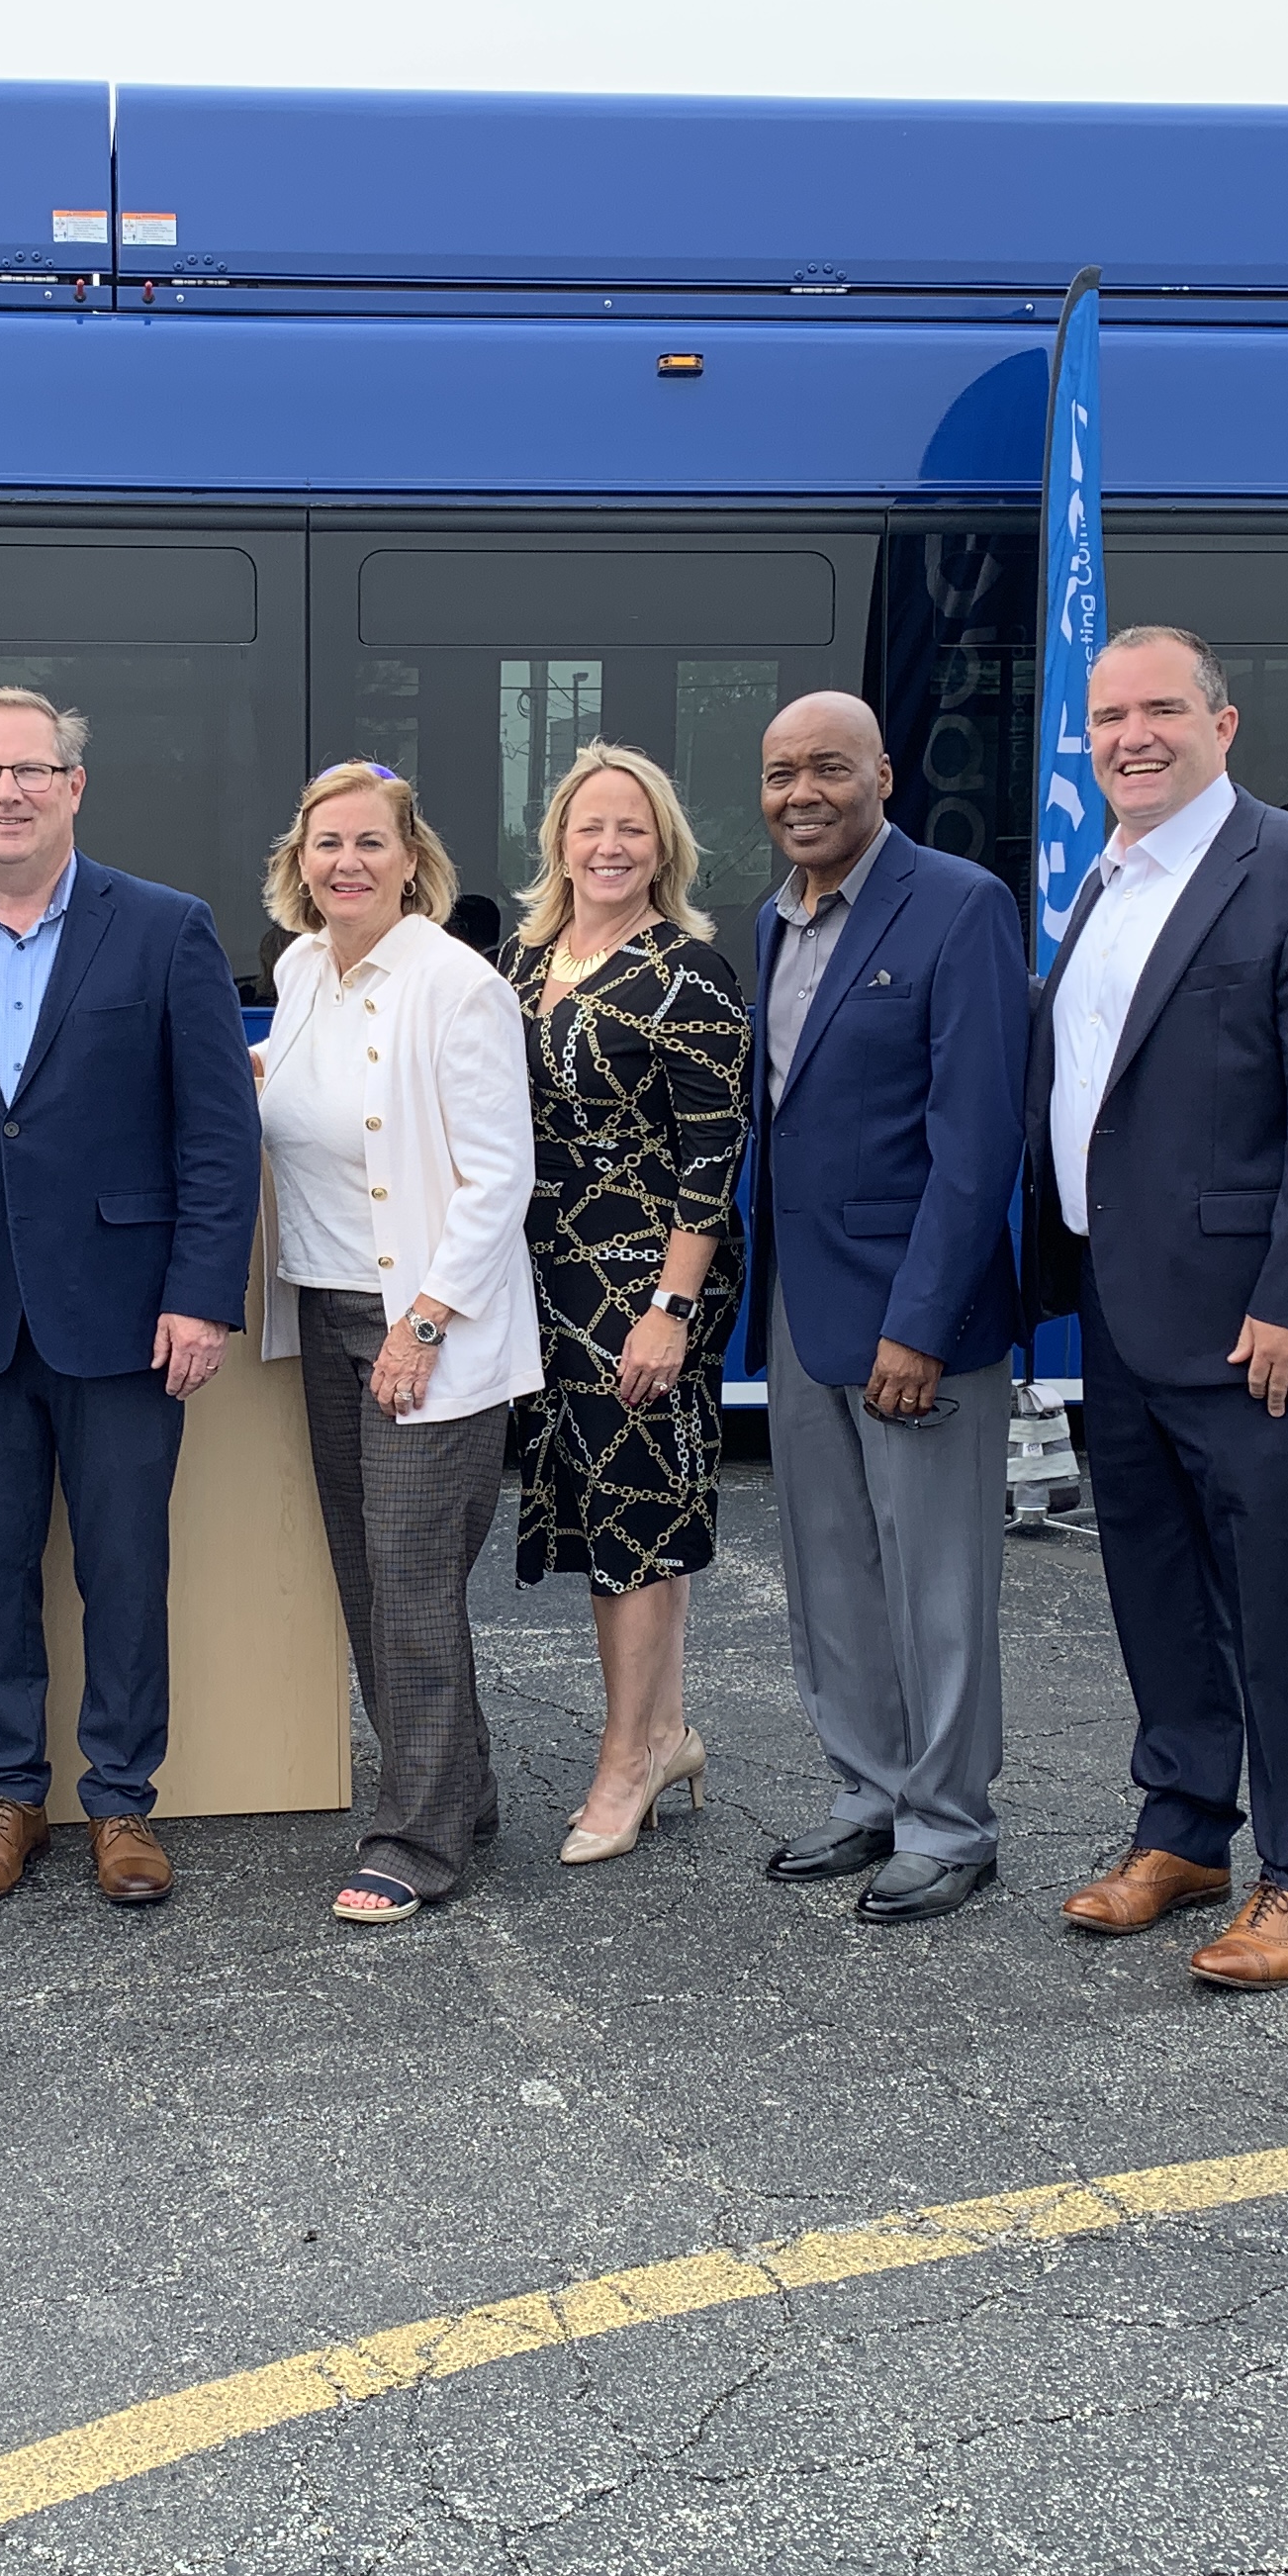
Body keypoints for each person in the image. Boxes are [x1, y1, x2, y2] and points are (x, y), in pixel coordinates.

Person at [1031, 626, 1288, 1990]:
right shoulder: (1109, 881)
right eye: (1109, 716)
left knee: (1283, 1602)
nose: (1132, 736)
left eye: (1161, 711)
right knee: (1159, 1590)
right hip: (1127, 1317)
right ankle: (1184, 1830)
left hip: (1260, 1331)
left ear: (1222, 725)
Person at [0, 688, 262, 1911]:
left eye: (34, 770)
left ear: (75, 787)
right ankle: (8, 1798)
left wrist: (201, 1295)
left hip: (130, 1312)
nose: (9, 791)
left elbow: (216, 1137)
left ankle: (124, 1803)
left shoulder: (165, 928)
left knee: (125, 1569)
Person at [746, 692, 1030, 1926]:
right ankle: (866, 1792)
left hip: (919, 1320)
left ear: (883, 775)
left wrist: (918, 1325)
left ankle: (951, 1822)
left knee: (937, 1582)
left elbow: (975, 1147)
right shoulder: (774, 920)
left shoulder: (960, 905)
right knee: (832, 1574)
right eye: (777, 774)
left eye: (826, 769)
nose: (800, 793)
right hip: (805, 1314)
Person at [253, 760, 540, 1923]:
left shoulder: (456, 984)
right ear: (299, 862)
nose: (347, 864)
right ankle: (456, 1786)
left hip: (421, 1318)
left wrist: (424, 1322)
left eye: (370, 843)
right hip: (324, 1308)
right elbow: (300, 1093)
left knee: (414, 1579)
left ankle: (416, 1837)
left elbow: (497, 1175)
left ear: (411, 861)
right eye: (327, 844)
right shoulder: (302, 966)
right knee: (367, 1573)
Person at [498, 744, 750, 1866]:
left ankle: (627, 1760)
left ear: (664, 849)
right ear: (557, 839)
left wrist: (672, 1310)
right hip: (543, 1276)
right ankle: (667, 1733)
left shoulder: (687, 974)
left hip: (643, 1281)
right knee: (612, 1505)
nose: (609, 846)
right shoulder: (520, 958)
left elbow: (715, 1156)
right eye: (591, 826)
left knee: (634, 1513)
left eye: (633, 830)